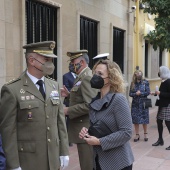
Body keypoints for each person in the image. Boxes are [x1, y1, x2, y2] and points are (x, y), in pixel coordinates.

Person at [0, 41, 69, 170]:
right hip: (28, 160)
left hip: (53, 159)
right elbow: (8, 131)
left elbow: (60, 121)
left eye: (51, 59)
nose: (50, 63)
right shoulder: (12, 89)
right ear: (32, 60)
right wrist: (13, 164)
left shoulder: (53, 85)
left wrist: (64, 151)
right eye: (46, 59)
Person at [79, 60, 134, 170]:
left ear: (111, 79)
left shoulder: (118, 99)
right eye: (95, 73)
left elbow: (127, 132)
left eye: (100, 74)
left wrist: (99, 142)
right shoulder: (95, 100)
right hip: (99, 160)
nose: (95, 76)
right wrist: (87, 131)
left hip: (118, 162)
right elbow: (100, 126)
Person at [61, 50, 98, 170]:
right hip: (82, 128)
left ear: (81, 62)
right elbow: (81, 97)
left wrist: (68, 110)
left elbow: (90, 104)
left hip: (86, 128)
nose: (71, 65)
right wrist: (68, 95)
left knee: (87, 164)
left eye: (73, 62)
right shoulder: (81, 76)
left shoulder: (86, 77)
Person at [151, 66, 170, 150]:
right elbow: (162, 92)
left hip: (167, 105)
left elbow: (168, 94)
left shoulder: (169, 81)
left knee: (168, 123)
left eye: (160, 71)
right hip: (162, 104)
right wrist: (155, 93)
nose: (159, 72)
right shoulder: (163, 81)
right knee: (159, 121)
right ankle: (160, 139)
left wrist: (160, 93)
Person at [129, 70, 150, 142]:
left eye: (140, 73)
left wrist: (141, 93)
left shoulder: (145, 82)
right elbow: (130, 94)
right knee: (135, 120)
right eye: (137, 73)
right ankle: (137, 134)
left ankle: (145, 134)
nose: (139, 75)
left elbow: (148, 92)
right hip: (135, 104)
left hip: (144, 103)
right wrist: (135, 94)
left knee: (145, 118)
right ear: (135, 75)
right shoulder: (133, 83)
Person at [63, 62, 76, 146]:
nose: (72, 67)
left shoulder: (78, 76)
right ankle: (68, 139)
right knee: (69, 120)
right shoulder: (66, 76)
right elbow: (66, 87)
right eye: (71, 66)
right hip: (69, 100)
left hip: (76, 101)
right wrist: (76, 91)